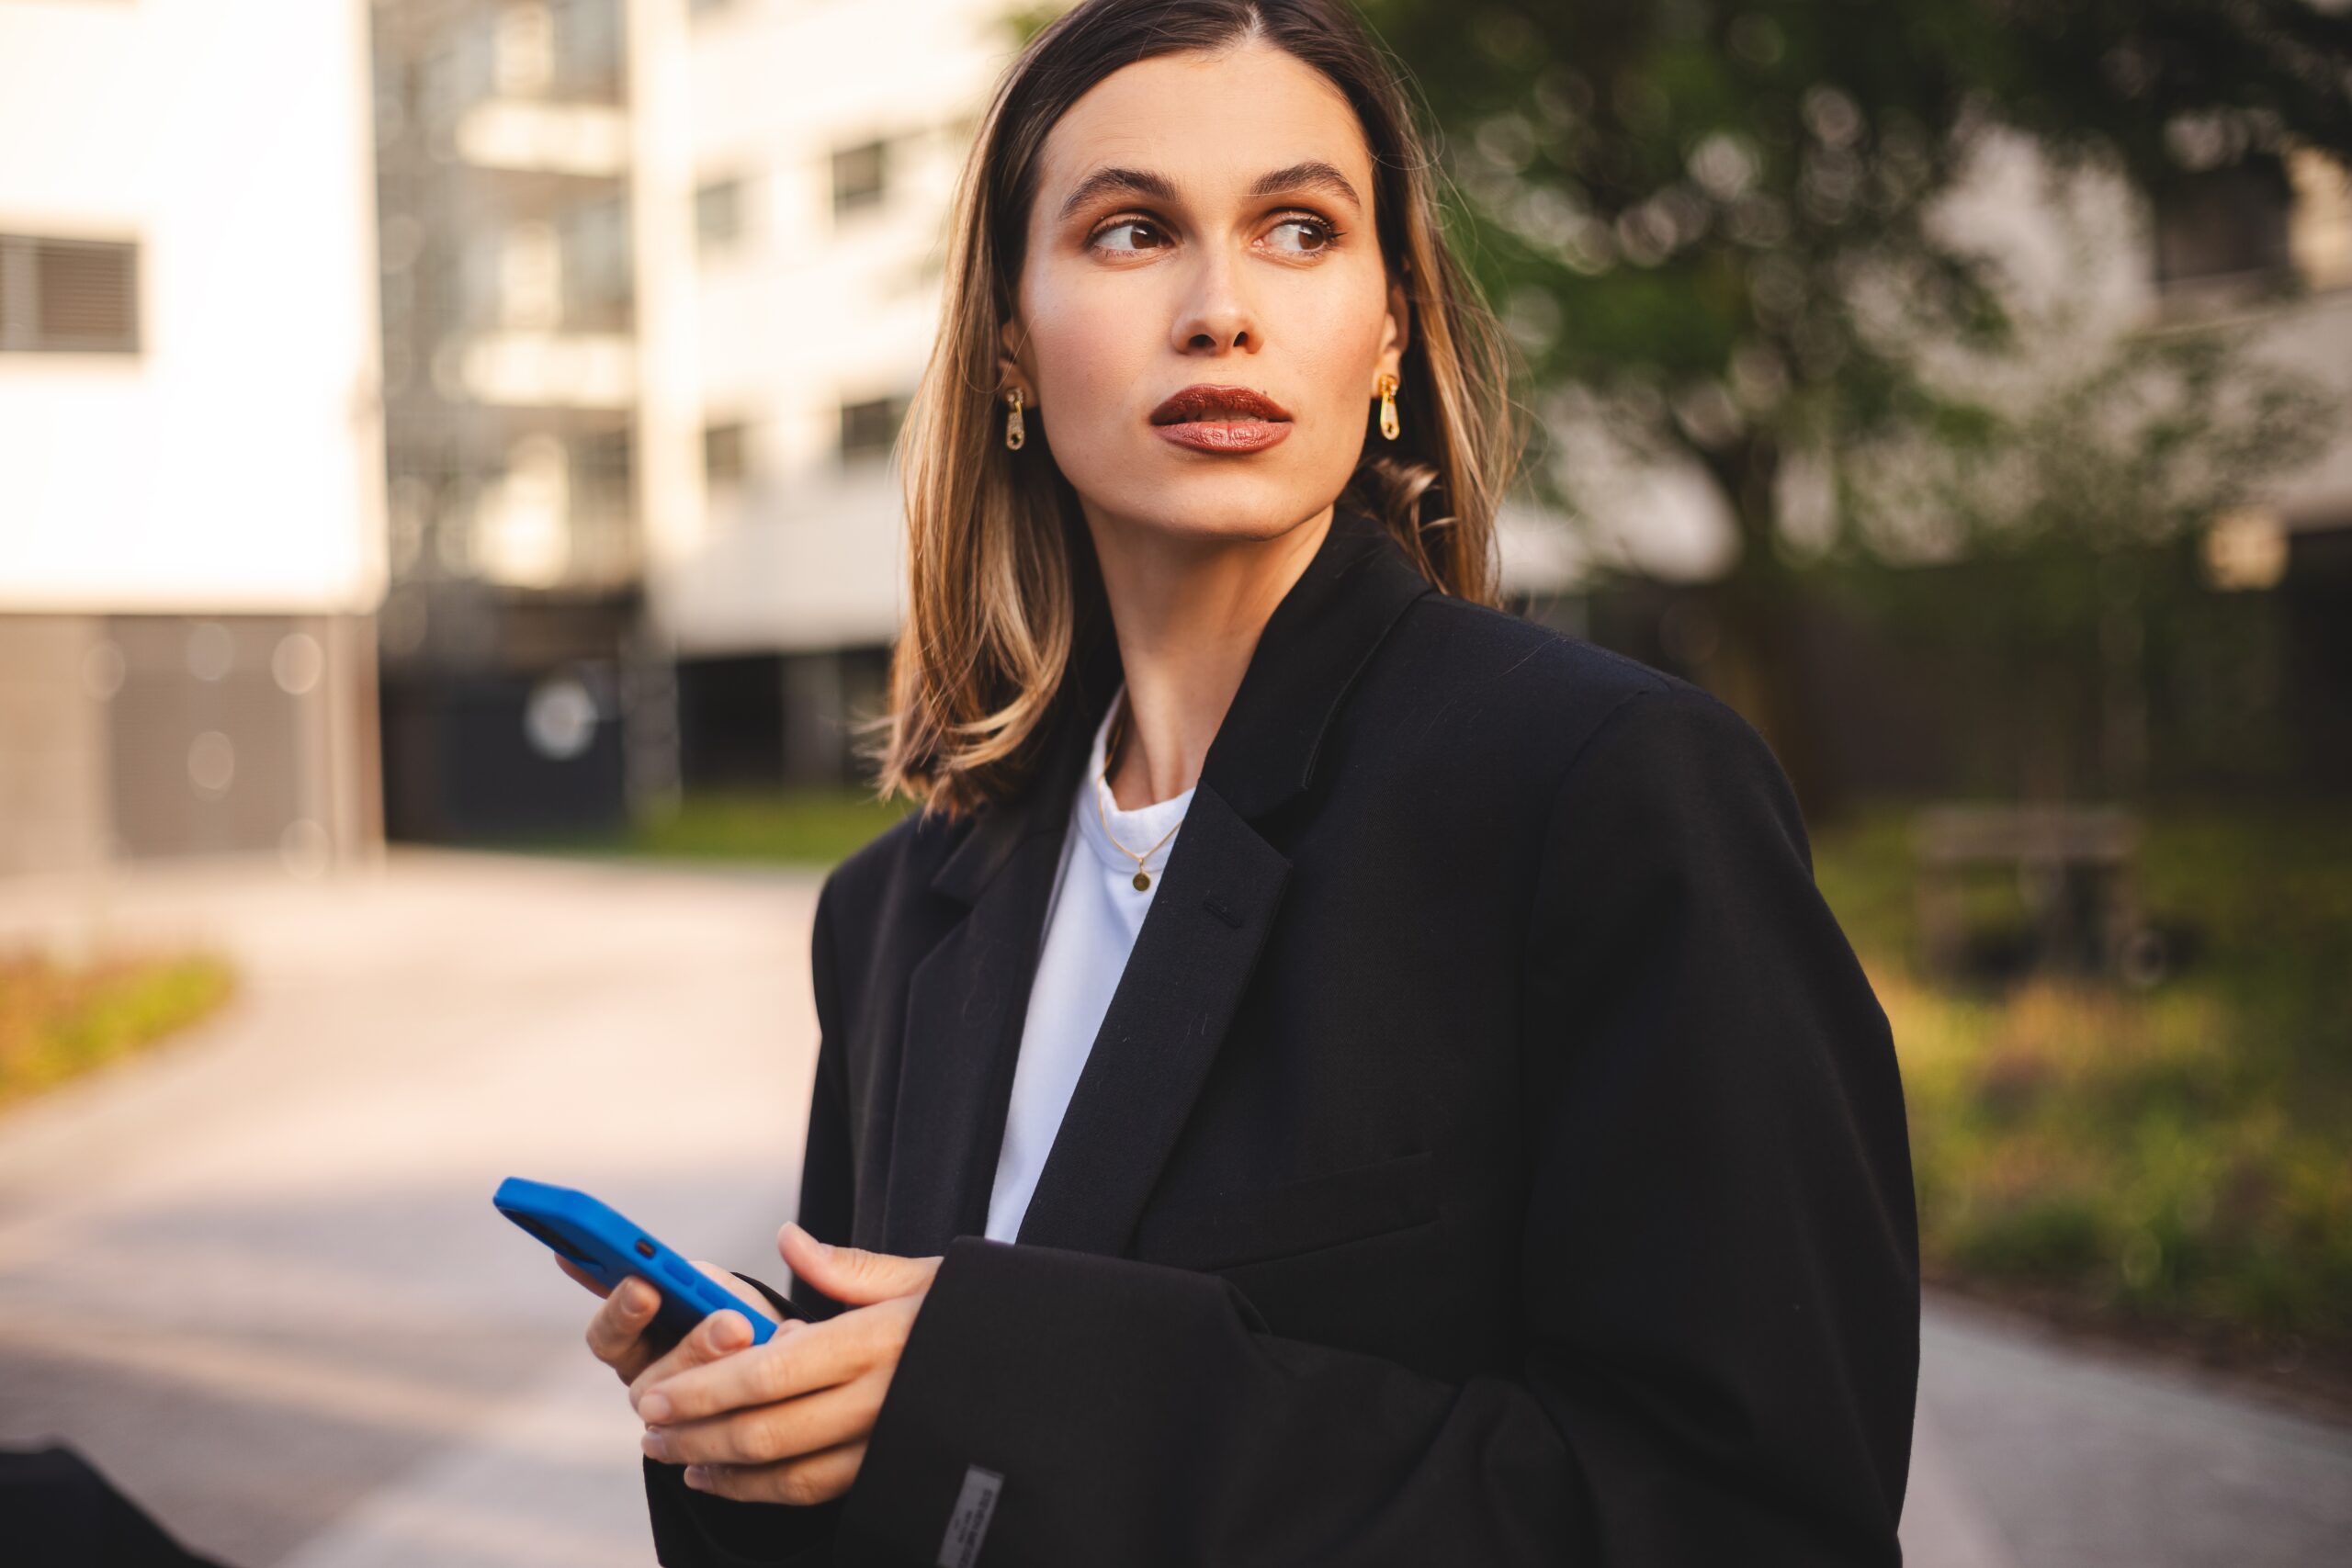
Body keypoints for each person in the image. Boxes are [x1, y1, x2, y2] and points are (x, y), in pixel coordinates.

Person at [563, 1, 1919, 1562]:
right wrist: (749, 1427)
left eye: (1297, 229)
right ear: (1011, 334)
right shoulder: (892, 914)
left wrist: (1046, 1387)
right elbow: (936, 1508)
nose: (1222, 308)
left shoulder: (1606, 797)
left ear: (1392, 329)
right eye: (1133, 232)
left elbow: (1751, 1516)